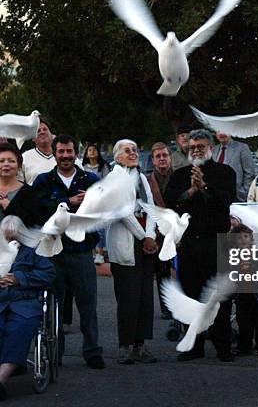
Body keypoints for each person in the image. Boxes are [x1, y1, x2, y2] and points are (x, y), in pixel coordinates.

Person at [32, 134, 105, 369]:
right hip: (53, 251)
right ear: (54, 153)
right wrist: (67, 200)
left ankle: (92, 352)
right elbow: (37, 210)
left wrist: (89, 203)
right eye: (61, 151)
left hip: (82, 251)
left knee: (88, 305)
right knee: (54, 304)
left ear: (76, 153)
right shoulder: (43, 181)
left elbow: (101, 214)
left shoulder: (90, 179)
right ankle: (55, 353)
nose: (65, 156)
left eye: (69, 151)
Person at [165, 129, 236, 362]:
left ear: (211, 148)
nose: (196, 150)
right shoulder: (179, 175)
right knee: (191, 294)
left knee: (219, 299)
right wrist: (191, 190)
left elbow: (226, 201)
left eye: (201, 146)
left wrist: (204, 186)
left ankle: (223, 345)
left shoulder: (225, 172)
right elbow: (171, 204)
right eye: (192, 146)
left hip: (216, 242)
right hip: (189, 245)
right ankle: (193, 345)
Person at [0, 216, 55, 401]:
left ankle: (0, 379)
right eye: (5, 237)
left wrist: (19, 278)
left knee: (20, 328)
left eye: (14, 237)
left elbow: (49, 274)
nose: (9, 241)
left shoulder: (33, 251)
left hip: (23, 302)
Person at [106, 139, 158, 364]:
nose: (133, 153)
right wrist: (144, 237)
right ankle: (125, 345)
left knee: (145, 296)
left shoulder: (142, 177)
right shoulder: (113, 179)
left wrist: (151, 236)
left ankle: (141, 344)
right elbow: (123, 212)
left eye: (135, 150)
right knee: (128, 297)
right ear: (118, 156)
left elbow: (151, 207)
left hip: (145, 242)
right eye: (127, 151)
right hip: (128, 241)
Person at [0, 143, 43, 227]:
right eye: (1, 161)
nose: (6, 164)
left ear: (19, 166)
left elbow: (35, 221)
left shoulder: (29, 192)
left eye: (11, 161)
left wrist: (8, 205)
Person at [231, 224, 258, 358]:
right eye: (239, 238)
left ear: (251, 238)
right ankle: (244, 346)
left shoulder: (257, 253)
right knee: (243, 322)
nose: (243, 240)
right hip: (242, 294)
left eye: (246, 237)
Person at [146, 142, 173, 319]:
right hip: (157, 232)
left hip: (177, 229)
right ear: (153, 161)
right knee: (162, 271)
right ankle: (166, 307)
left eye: (164, 155)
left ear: (170, 158)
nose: (162, 159)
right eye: (158, 156)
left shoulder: (180, 176)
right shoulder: (147, 181)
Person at [213, 132, 256, 202]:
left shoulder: (242, 147)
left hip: (236, 196)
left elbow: (249, 172)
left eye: (224, 130)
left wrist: (244, 192)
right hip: (216, 196)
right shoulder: (214, 149)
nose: (221, 133)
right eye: (218, 130)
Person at [20, 120, 57, 185]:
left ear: (52, 135)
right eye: (38, 131)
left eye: (45, 129)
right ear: (33, 138)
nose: (42, 132)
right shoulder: (24, 158)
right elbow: (18, 185)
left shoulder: (65, 155)